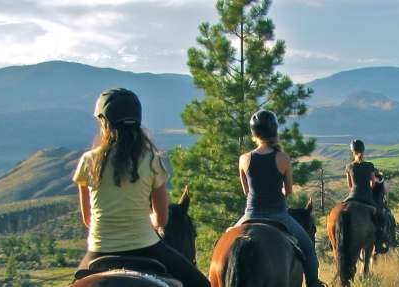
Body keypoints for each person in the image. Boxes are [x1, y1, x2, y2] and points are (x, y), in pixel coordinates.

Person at [72, 88, 209, 287]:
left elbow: (88, 219)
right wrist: (143, 220)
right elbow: (162, 219)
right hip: (146, 246)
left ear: (104, 121)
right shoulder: (151, 160)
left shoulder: (88, 161)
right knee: (202, 284)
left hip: (99, 249)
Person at [234, 110, 324, 287]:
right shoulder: (282, 158)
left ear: (254, 133)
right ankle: (314, 283)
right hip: (278, 215)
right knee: (308, 249)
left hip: (250, 215)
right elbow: (288, 191)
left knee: (222, 243)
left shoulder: (244, 159)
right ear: (274, 131)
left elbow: (247, 191)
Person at [344, 139, 388, 253]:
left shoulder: (349, 167)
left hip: (352, 197)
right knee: (381, 217)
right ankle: (380, 241)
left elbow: (350, 185)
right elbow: (373, 184)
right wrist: (367, 187)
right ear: (363, 150)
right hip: (366, 197)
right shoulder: (369, 166)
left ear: (352, 151)